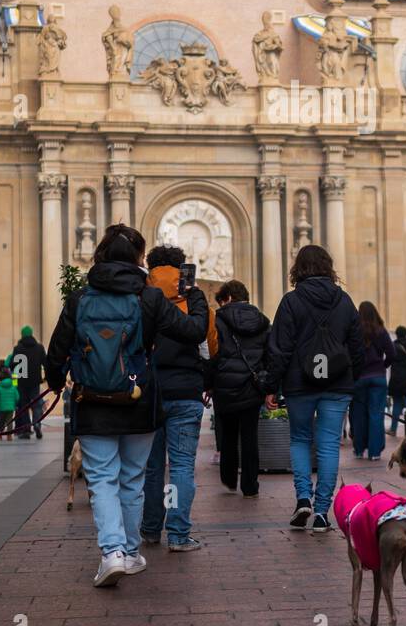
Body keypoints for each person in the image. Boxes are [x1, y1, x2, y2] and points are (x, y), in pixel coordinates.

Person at [46, 224, 210, 588]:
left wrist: (57, 383)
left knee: (102, 478)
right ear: (138, 259)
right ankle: (131, 552)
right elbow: (194, 332)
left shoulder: (79, 298)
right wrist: (195, 297)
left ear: (100, 255)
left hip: (92, 400)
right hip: (139, 400)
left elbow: (56, 351)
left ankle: (112, 553)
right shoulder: (149, 298)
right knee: (132, 480)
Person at [267, 244, 364, 533]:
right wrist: (351, 379)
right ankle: (322, 511)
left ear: (299, 268)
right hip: (337, 384)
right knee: (329, 445)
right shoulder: (345, 301)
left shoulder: (291, 301)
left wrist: (271, 385)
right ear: (328, 267)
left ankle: (303, 499)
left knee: (299, 439)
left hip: (299, 384)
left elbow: (279, 348)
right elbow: (358, 346)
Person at [140, 245, 212, 554]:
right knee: (182, 466)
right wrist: (207, 379)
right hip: (186, 390)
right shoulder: (193, 298)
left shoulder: (142, 296)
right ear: (181, 268)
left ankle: (151, 529)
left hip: (150, 392)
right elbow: (210, 343)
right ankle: (179, 534)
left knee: (152, 467)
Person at [210, 279, 270, 498]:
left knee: (227, 434)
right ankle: (250, 485)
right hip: (252, 386)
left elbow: (213, 353)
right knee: (250, 436)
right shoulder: (262, 321)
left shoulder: (218, 319)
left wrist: (209, 382)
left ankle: (228, 478)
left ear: (227, 298)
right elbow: (269, 354)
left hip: (225, 385)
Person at [350, 301, 395, 460]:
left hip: (359, 378)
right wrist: (382, 366)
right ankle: (375, 452)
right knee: (376, 415)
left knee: (358, 415)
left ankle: (359, 449)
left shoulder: (354, 332)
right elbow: (392, 353)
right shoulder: (381, 331)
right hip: (378, 377)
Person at [6, 327, 48, 439]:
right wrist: (46, 377)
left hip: (21, 382)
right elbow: (46, 363)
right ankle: (37, 423)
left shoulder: (18, 348)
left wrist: (15, 382)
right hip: (35, 382)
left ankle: (26, 429)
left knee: (23, 406)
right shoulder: (39, 348)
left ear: (22, 335)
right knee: (36, 404)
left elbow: (12, 366)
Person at [0, 366, 19, 440]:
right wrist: (14, 404)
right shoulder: (13, 386)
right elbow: (17, 397)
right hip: (11, 407)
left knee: (1, 421)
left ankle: (0, 434)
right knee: (9, 421)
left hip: (1, 408)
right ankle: (9, 435)